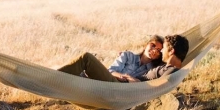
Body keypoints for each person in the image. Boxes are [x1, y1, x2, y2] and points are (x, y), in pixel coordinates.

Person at [57, 35, 185, 83]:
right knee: (79, 75)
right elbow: (111, 71)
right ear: (146, 45)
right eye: (152, 46)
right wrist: (126, 76)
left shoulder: (154, 68)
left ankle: (52, 77)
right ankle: (52, 77)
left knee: (86, 59)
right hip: (109, 80)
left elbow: (170, 64)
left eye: (158, 50)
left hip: (118, 89)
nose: (154, 51)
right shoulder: (127, 55)